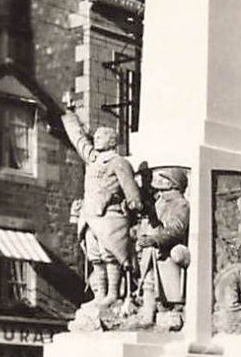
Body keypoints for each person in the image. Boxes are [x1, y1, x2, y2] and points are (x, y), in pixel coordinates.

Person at [59, 93, 142, 311]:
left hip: (111, 216)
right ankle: (101, 294)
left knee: (110, 255)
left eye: (101, 136)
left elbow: (130, 189)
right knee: (95, 256)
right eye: (96, 137)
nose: (96, 139)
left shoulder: (119, 162)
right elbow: (78, 140)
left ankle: (114, 293)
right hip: (90, 215)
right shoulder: (93, 159)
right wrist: (69, 115)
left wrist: (134, 204)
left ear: (111, 141)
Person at [134, 166, 190, 328]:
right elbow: (147, 224)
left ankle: (172, 310)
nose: (160, 182)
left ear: (174, 183)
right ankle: (148, 313)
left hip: (167, 251)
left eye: (165, 179)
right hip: (150, 250)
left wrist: (155, 239)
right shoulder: (160, 202)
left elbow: (176, 229)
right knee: (148, 282)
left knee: (165, 285)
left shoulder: (181, 204)